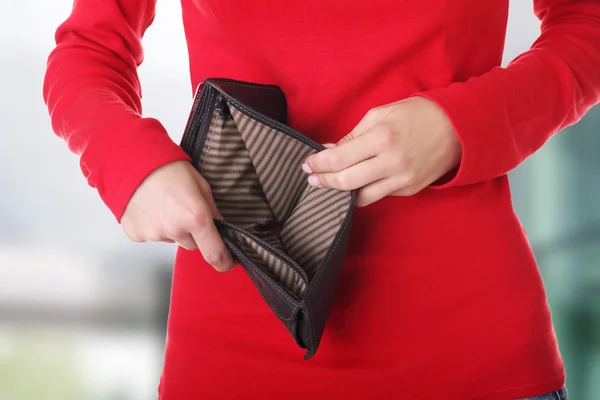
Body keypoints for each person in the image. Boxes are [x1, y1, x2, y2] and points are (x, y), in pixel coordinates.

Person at [43, 1, 599, 398]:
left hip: (470, 354)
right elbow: (88, 51)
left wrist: (462, 125)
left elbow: (587, 25)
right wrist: (131, 166)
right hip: (235, 351)